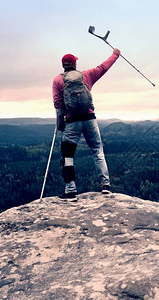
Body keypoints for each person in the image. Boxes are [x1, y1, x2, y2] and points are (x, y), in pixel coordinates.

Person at [52, 49, 120, 199]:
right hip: (90, 119)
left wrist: (60, 125)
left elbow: (58, 105)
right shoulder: (87, 75)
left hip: (71, 122)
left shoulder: (58, 80)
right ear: (75, 64)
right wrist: (116, 54)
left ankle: (70, 190)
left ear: (63, 65)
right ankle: (106, 186)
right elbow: (103, 67)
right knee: (97, 151)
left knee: (68, 156)